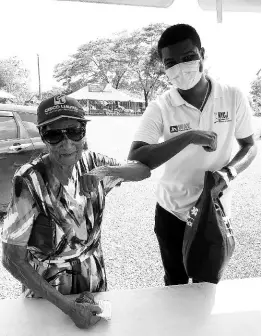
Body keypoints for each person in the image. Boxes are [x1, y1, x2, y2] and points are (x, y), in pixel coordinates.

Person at [1, 95, 151, 329]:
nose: (67, 143)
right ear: (42, 136)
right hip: (48, 295)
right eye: (54, 135)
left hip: (93, 282)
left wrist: (107, 171)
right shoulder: (30, 180)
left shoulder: (94, 164)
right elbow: (11, 258)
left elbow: (143, 171)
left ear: (84, 132)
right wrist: (68, 308)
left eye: (74, 131)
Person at [128, 24, 257, 286]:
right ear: (164, 68)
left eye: (188, 57)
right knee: (175, 284)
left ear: (202, 54)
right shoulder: (161, 106)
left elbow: (249, 145)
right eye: (170, 63)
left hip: (214, 211)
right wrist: (188, 136)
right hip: (172, 211)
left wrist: (228, 173)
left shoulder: (232, 96)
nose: (180, 68)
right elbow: (138, 156)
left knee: (207, 285)